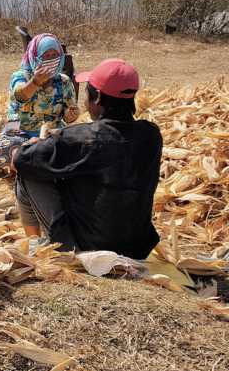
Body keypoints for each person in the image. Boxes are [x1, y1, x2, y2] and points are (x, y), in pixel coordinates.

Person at [12, 59, 162, 259]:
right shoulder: (151, 135)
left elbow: (20, 160)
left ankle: (37, 243)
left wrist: (39, 144)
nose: (84, 101)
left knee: (28, 171)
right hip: (137, 246)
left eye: (87, 93)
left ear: (97, 97)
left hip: (88, 245)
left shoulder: (84, 138)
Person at [0, 33, 79, 180]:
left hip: (51, 132)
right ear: (35, 57)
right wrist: (35, 82)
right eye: (46, 56)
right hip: (20, 131)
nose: (51, 59)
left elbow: (70, 111)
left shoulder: (64, 82)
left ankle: (29, 167)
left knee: (67, 150)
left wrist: (71, 115)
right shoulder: (21, 77)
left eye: (54, 55)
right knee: (6, 148)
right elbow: (19, 96)